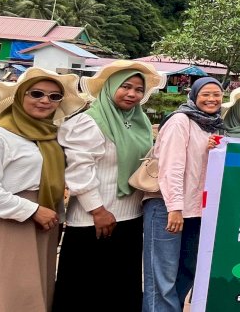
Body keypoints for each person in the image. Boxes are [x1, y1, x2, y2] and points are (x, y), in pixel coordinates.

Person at [0, 68, 86, 312]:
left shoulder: (51, 136)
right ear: (21, 96)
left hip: (45, 222)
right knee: (12, 292)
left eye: (54, 97)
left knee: (35, 289)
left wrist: (56, 216)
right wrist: (32, 210)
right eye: (37, 93)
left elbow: (53, 182)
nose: (45, 101)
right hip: (8, 221)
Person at [53, 61, 162, 311]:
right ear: (110, 87)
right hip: (94, 220)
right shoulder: (89, 122)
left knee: (120, 289)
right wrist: (97, 210)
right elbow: (79, 169)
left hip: (131, 217)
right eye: (125, 87)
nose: (132, 94)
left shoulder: (140, 122)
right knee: (86, 290)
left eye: (138, 89)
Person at [143, 77, 224, 312]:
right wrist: (174, 208)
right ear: (194, 96)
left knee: (187, 268)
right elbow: (172, 167)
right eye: (205, 94)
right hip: (168, 207)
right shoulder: (180, 121)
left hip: (195, 209)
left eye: (216, 95)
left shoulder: (212, 125)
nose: (211, 99)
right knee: (162, 274)